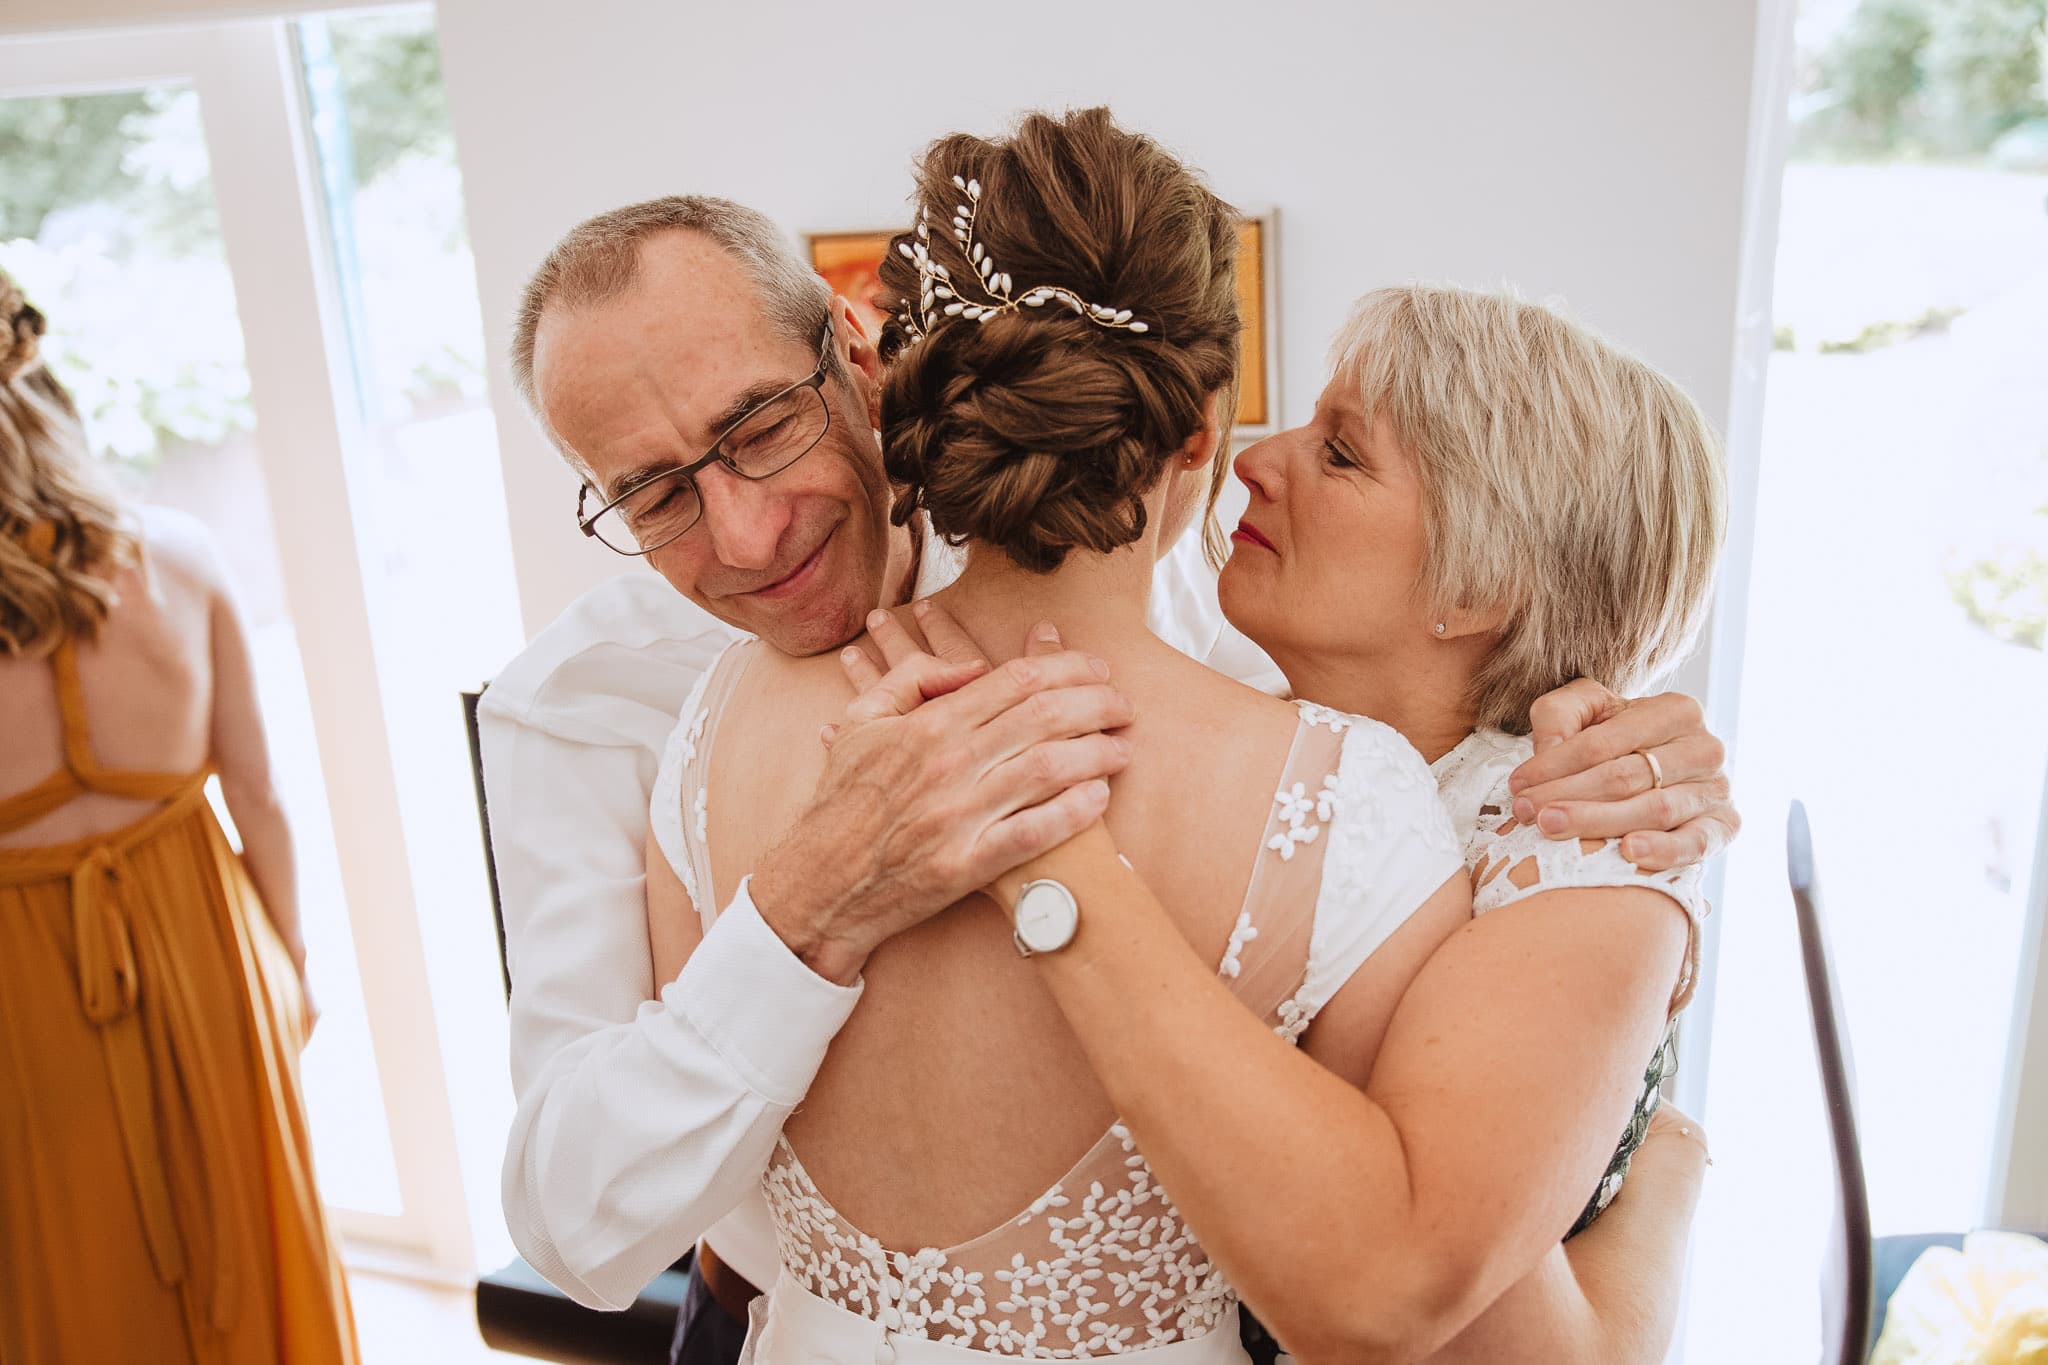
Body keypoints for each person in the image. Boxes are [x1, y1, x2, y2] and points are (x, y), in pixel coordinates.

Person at [488, 189, 1735, 1355]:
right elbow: (574, 1227)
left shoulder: (1179, 574)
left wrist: (1623, 779)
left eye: (759, 430)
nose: (743, 532)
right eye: (650, 494)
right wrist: (810, 903)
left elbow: (1433, 1286)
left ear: (856, 359)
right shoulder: (597, 707)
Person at [843, 280, 1729, 1360]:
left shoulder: (1577, 838)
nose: (1255, 459)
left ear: (1479, 581)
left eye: (1340, 453)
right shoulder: (1239, 735)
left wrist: (1668, 1181)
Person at [0, 271, 358, 1363]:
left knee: (68, 1260)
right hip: (210, 947)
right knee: (247, 1220)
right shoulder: (183, 557)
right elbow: (260, 796)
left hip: (24, 984)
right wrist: (287, 964)